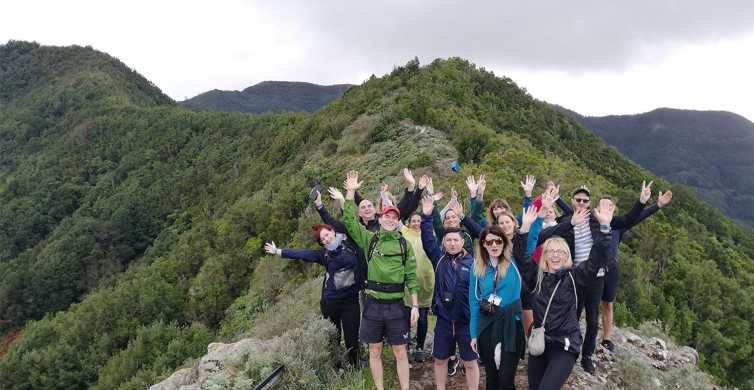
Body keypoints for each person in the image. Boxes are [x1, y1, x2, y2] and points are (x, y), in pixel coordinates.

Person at [537, 182, 649, 375]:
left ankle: (587, 357)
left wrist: (641, 202)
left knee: (592, 319)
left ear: (589, 203)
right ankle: (568, 351)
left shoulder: (597, 220)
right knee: (570, 316)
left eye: (585, 200)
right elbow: (546, 235)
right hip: (572, 278)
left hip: (596, 277)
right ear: (572, 201)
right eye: (578, 199)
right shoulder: (567, 220)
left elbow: (626, 220)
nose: (581, 202)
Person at [516, 200, 615, 390]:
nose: (555, 255)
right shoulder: (536, 276)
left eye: (560, 252)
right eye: (551, 251)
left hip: (564, 344)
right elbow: (521, 258)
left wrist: (604, 228)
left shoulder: (576, 277)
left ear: (567, 255)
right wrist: (525, 228)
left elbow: (596, 258)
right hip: (540, 342)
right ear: (544, 255)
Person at [342, 170, 419, 390]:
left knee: (400, 351)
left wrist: (414, 305)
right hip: (373, 303)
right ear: (380, 217)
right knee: (374, 350)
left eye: (394, 217)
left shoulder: (404, 245)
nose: (390, 219)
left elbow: (411, 276)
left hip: (396, 305)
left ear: (397, 221)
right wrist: (350, 193)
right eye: (386, 215)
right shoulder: (370, 239)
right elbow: (349, 221)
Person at [263, 223, 361, 366]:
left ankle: (355, 365)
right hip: (331, 302)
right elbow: (303, 253)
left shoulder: (350, 245)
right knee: (333, 336)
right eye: (322, 240)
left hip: (351, 300)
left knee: (351, 337)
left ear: (333, 232)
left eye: (327, 235)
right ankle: (337, 367)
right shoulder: (324, 255)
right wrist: (278, 251)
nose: (326, 239)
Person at [468, 207, 539, 390]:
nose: (493, 245)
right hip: (487, 324)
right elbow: (474, 301)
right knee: (492, 379)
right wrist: (473, 333)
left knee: (506, 381)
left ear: (504, 243)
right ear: (483, 244)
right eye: (489, 242)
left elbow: (527, 245)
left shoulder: (514, 263)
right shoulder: (477, 268)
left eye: (498, 241)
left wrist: (526, 227)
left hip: (510, 325)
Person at [600, 188, 673, 352]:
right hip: (591, 270)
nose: (605, 208)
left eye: (609, 206)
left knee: (607, 304)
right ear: (597, 209)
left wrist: (657, 205)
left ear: (613, 210)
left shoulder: (618, 226)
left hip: (611, 270)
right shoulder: (590, 223)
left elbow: (637, 218)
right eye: (602, 205)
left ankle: (606, 338)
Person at [419, 196, 479, 390]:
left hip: (466, 321)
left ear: (463, 242)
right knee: (439, 359)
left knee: (470, 362)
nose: (452, 243)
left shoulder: (474, 264)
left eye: (456, 240)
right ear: (444, 242)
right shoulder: (438, 259)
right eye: (449, 240)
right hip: (444, 320)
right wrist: (427, 216)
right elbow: (428, 239)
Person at [401, 211, 435, 362]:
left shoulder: (428, 235)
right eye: (413, 220)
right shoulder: (403, 232)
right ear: (408, 223)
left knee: (422, 318)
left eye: (419, 221)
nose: (416, 223)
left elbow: (435, 217)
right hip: (407, 283)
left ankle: (420, 347)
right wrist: (384, 196)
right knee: (406, 316)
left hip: (425, 283)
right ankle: (406, 345)